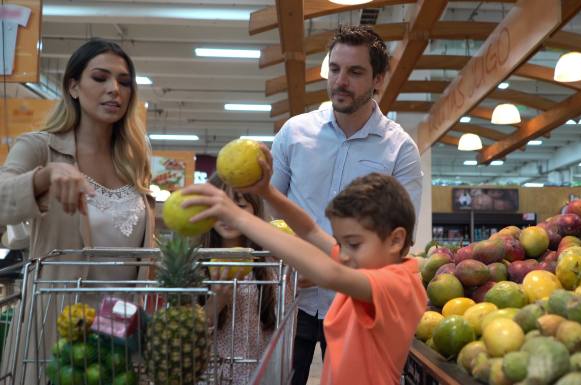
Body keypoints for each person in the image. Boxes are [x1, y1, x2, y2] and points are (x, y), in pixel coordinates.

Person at [181, 153, 427, 385]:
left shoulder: (397, 284)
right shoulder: (362, 261)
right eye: (339, 243)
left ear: (395, 240)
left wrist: (239, 217)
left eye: (352, 244)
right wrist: (267, 192)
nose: (340, 254)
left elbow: (329, 273)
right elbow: (310, 231)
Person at [271, 25, 423, 384]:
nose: (340, 81)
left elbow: (400, 239)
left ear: (378, 80)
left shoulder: (399, 149)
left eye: (355, 72)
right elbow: (271, 210)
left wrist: (334, 271)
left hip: (358, 308)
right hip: (292, 302)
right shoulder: (294, 133)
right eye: (335, 69)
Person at [0, 38, 154, 383]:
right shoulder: (40, 148)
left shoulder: (134, 163)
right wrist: (44, 177)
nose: (114, 89)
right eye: (100, 78)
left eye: (124, 82)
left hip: (118, 334)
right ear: (73, 86)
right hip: (55, 328)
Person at [200, 173, 277, 385]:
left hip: (258, 376)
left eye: (240, 206)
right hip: (210, 376)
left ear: (254, 210)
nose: (228, 216)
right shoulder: (198, 266)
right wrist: (216, 303)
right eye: (220, 207)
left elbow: (278, 326)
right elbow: (187, 333)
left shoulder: (269, 267)